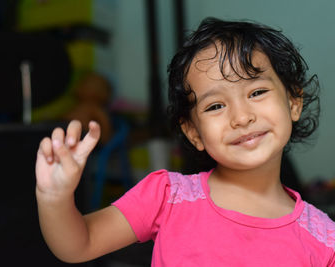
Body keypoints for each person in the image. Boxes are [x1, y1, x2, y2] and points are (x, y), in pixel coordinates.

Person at [35, 17, 334, 266]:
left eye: (256, 92)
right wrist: (54, 199)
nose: (241, 118)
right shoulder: (167, 196)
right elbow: (79, 245)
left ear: (293, 102)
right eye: (215, 106)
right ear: (194, 133)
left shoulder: (325, 239)